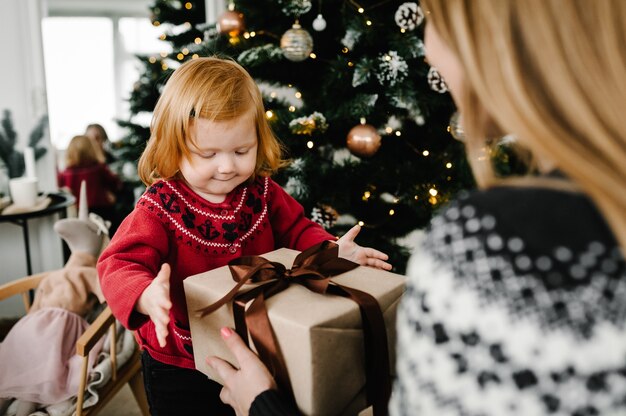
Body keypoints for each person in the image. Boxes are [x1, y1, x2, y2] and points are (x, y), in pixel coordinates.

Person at [205, 1, 626, 415]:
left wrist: (263, 404)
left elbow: (298, 229)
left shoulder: (489, 244)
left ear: (499, 42)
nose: (427, 48)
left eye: (435, 20)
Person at [96, 56, 391, 416]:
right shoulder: (159, 208)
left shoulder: (262, 192)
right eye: (207, 154)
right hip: (179, 364)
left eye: (241, 151)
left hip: (255, 352)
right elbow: (118, 262)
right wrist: (143, 294)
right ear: (173, 146)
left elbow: (299, 229)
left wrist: (332, 251)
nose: (227, 166)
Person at [0, 209, 109, 416]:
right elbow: (34, 307)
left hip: (58, 326)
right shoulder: (55, 276)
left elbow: (110, 300)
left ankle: (25, 405)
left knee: (40, 372)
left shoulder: (88, 273)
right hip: (33, 325)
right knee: (14, 362)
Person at [57, 135, 122, 234]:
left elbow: (61, 190)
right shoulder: (99, 169)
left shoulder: (66, 174)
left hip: (79, 214)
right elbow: (116, 184)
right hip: (103, 212)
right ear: (92, 149)